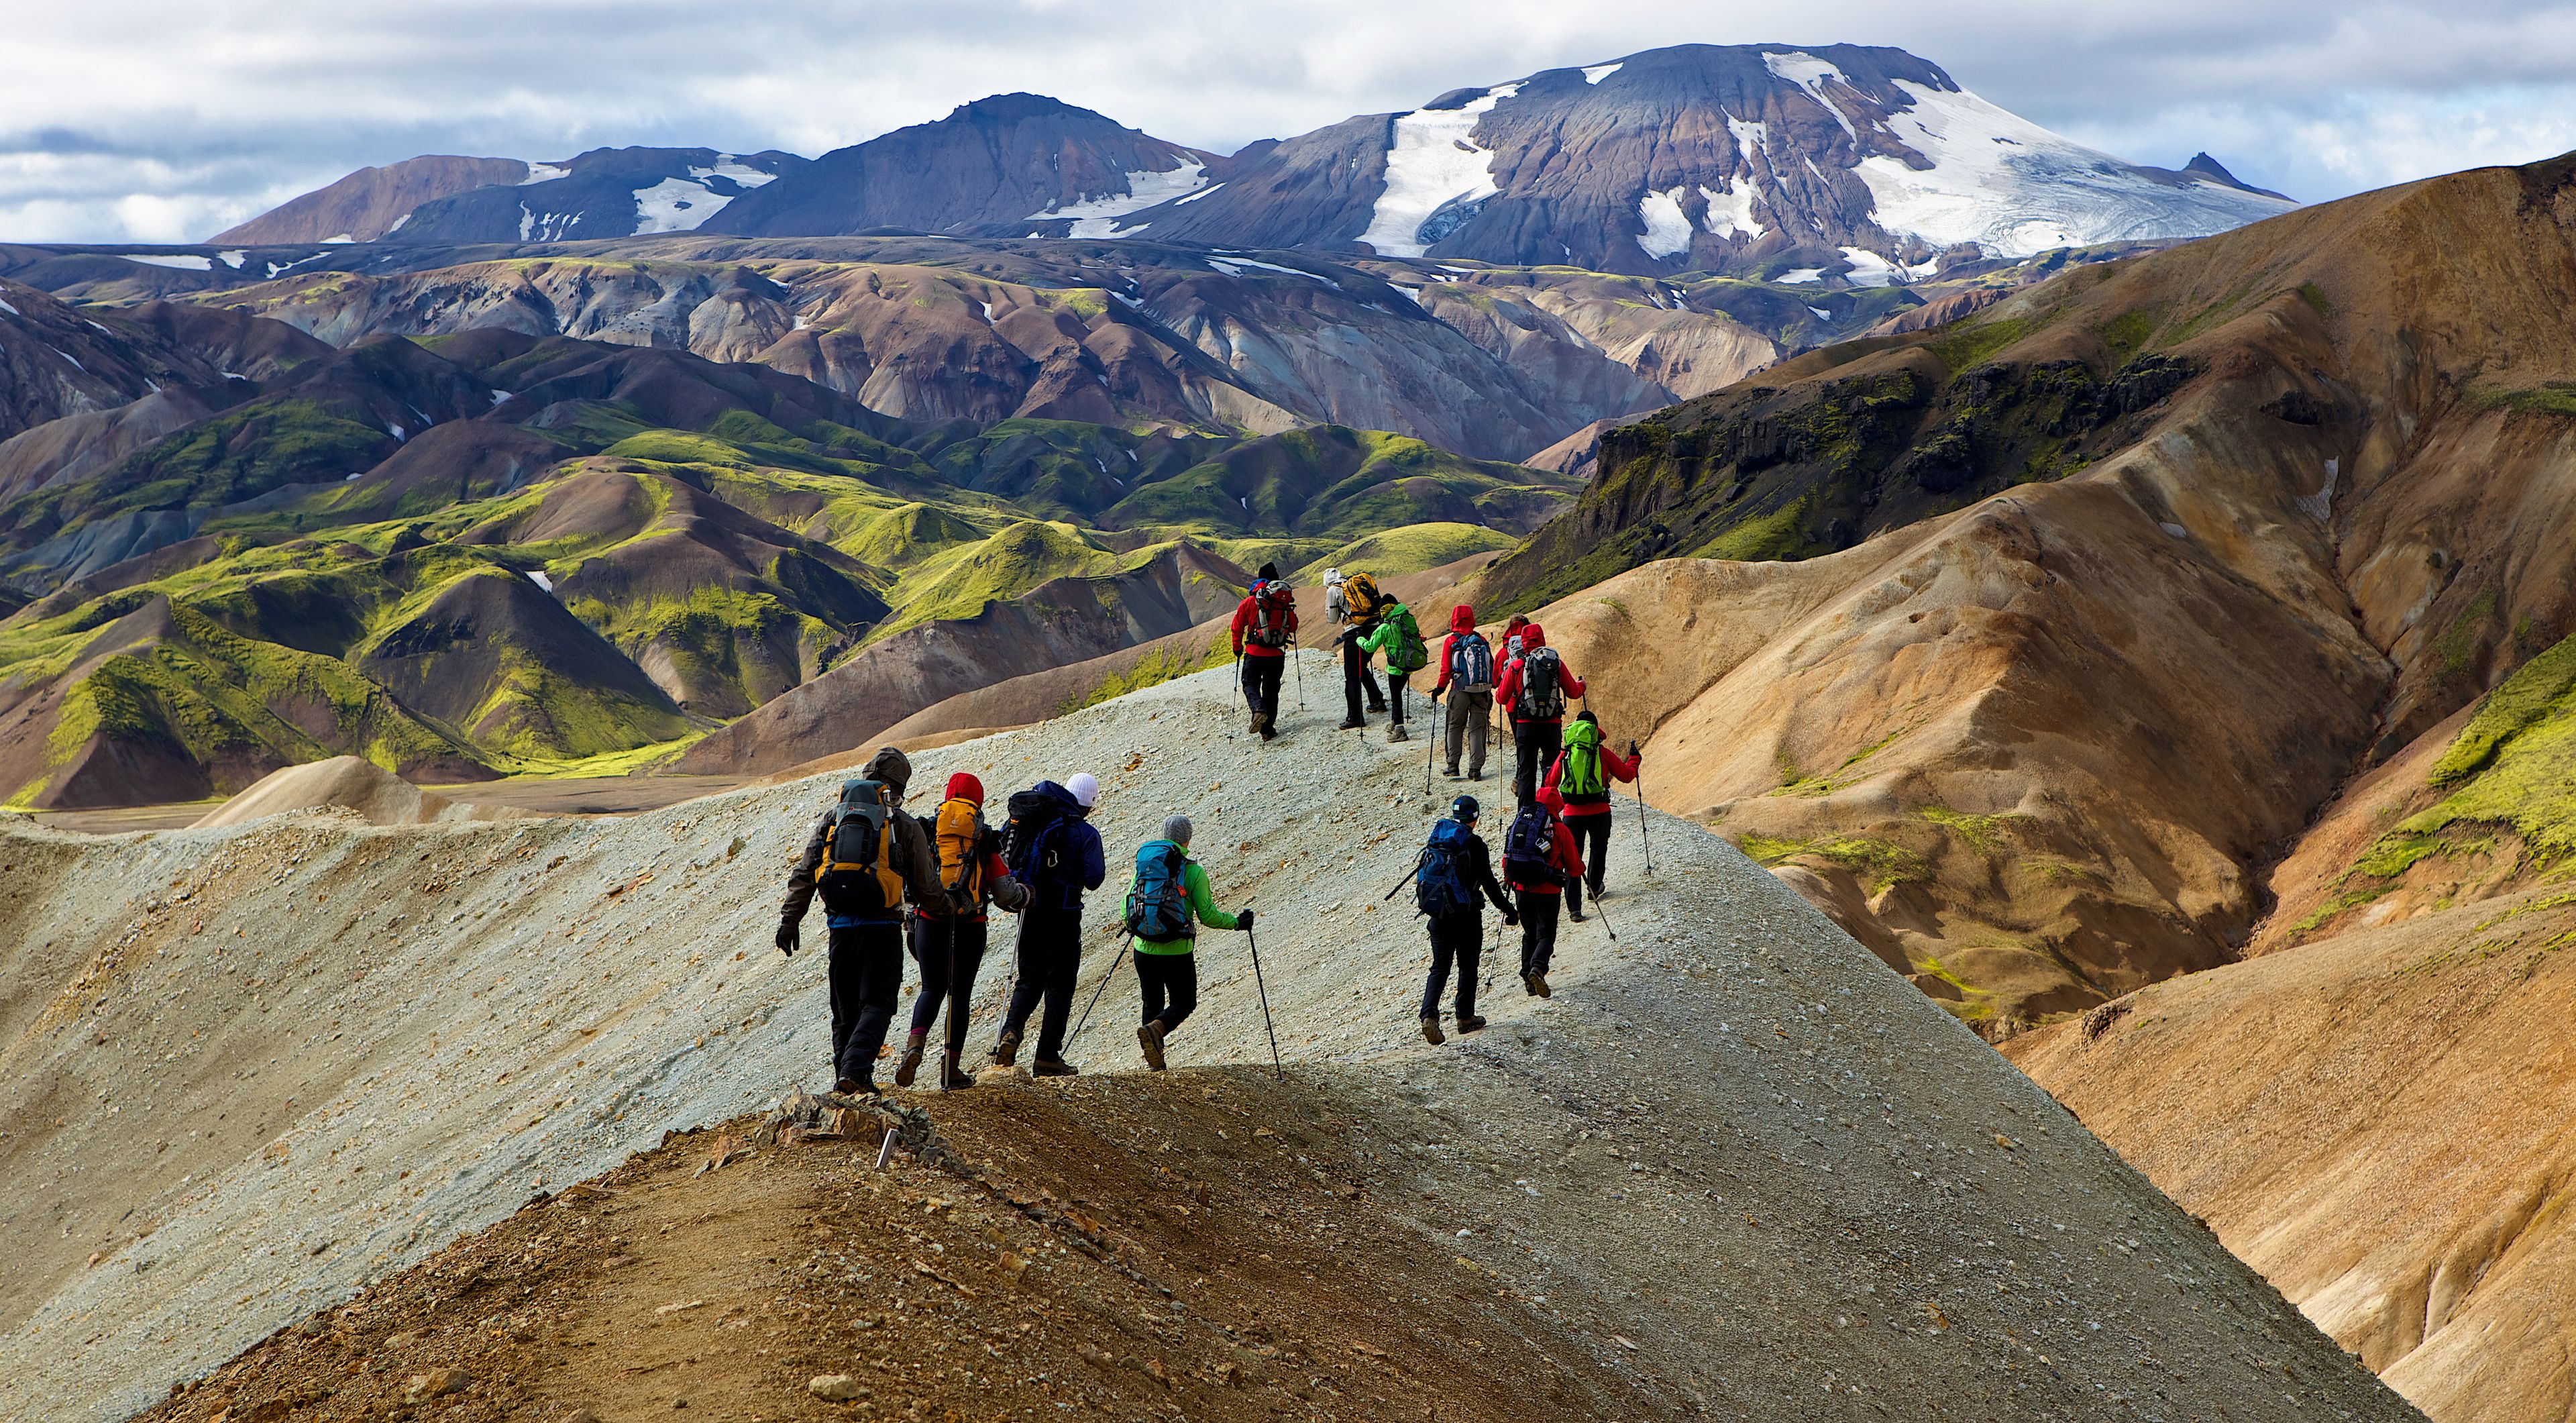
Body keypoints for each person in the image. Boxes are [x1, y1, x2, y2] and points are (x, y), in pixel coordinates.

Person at [777, 747, 947, 1097]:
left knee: (844, 1010)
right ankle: (856, 1071)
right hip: (882, 929)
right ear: (897, 786)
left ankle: (845, 1083)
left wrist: (789, 921)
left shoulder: (833, 820)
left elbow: (805, 872)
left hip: (839, 928)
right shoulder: (903, 825)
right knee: (879, 1003)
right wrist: (952, 907)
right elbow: (926, 888)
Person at [898, 772, 1026, 1091]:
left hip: (929, 921)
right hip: (970, 925)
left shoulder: (928, 830)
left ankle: (915, 1045)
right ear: (977, 800)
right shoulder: (983, 837)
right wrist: (1026, 895)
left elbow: (907, 879)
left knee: (931, 988)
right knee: (960, 995)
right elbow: (1004, 890)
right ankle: (951, 1070)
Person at [991, 772, 1107, 1076]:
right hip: (1065, 916)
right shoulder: (1085, 833)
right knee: (1060, 984)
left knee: (1028, 980)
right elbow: (1095, 879)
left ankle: (1010, 1033)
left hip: (1030, 912)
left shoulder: (1038, 820)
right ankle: (1047, 1057)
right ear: (1089, 804)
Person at [1120, 814, 1252, 1071]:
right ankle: (1157, 1030)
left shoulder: (1146, 867)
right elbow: (1208, 916)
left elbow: (1125, 907)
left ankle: (1155, 1063)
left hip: (1143, 949)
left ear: (1162, 835)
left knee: (1152, 1002)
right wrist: (1237, 922)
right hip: (1177, 950)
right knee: (1185, 1001)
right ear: (1188, 839)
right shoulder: (1193, 872)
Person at [1412, 794, 1515, 1044]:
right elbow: (1489, 884)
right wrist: (1509, 910)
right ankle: (1465, 1017)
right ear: (1476, 818)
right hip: (1466, 917)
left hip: (1437, 916)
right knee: (1468, 967)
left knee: (1439, 968)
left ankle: (1429, 1016)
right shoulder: (1475, 844)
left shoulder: (1440, 838)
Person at [1544, 710, 1642, 900]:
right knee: (1598, 849)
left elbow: (1550, 783)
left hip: (1571, 813)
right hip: (1600, 812)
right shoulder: (1601, 753)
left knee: (1572, 856)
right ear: (1595, 730)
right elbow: (1627, 776)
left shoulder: (1566, 754)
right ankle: (1594, 888)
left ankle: (1574, 907)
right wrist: (1634, 759)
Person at [1501, 787, 1586, 999]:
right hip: (1548, 891)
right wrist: (1578, 870)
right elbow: (1574, 866)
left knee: (1530, 933)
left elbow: (1507, 858)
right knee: (1546, 935)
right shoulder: (1560, 829)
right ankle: (1537, 969)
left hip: (1521, 888)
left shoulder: (1520, 824)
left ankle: (1528, 981)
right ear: (1558, 805)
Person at [1495, 622, 1585, 803]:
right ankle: (1548, 810)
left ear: (1524, 642)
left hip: (1526, 726)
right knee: (1551, 769)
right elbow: (1574, 692)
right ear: (1543, 640)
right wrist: (1582, 685)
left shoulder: (1517, 666)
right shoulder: (1556, 664)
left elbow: (1502, 698)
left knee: (1526, 771)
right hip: (1551, 725)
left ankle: (1526, 815)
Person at [1229, 566, 1297, 740]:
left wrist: (1237, 648)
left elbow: (1237, 627)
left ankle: (1258, 710)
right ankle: (1267, 731)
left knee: (1249, 683)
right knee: (1271, 690)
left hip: (1254, 653)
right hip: (1276, 655)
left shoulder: (1250, 602)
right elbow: (1294, 626)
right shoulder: (1282, 602)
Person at [1428, 604, 1494, 780]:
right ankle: (1475, 769)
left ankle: (1453, 766)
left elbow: (1445, 670)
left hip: (1460, 690)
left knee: (1455, 726)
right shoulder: (1482, 640)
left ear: (1454, 620)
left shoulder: (1452, 641)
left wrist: (1439, 689)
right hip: (1481, 691)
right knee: (1477, 728)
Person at [1354, 592, 1426, 743]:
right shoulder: (1406, 620)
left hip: (1395, 667)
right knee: (1397, 694)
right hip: (1408, 664)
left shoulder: (1385, 627)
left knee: (1396, 698)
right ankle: (1394, 722)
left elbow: (1370, 646)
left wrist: (1359, 639)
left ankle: (1400, 730)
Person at [1335, 570, 1387, 729]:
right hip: (1373, 627)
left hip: (1354, 632)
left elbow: (1331, 619)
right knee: (1360, 667)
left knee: (1352, 674)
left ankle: (1355, 717)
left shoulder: (1336, 590)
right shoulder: (1358, 585)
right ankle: (1377, 700)